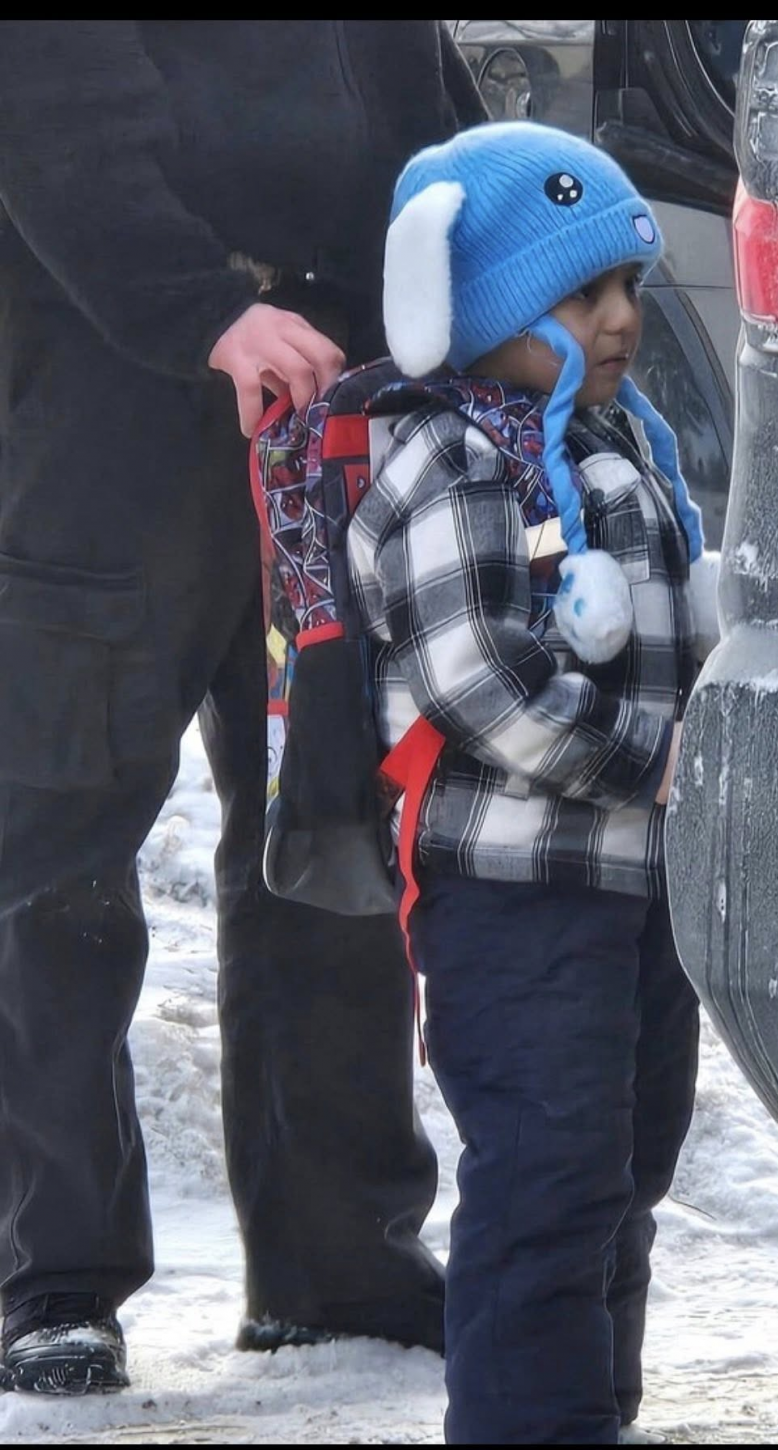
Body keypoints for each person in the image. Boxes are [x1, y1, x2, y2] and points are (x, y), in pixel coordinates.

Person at [0, 21, 487, 1395]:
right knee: (59, 833)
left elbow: (427, 125)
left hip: (333, 412)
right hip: (108, 415)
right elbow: (47, 103)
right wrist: (200, 308)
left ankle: (338, 1258)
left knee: (330, 809)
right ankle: (52, 1274)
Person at [346, 120, 722, 1444]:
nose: (619, 318)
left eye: (626, 288)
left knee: (625, 1177)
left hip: (637, 894)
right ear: (475, 297)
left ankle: (588, 1417)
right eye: (580, 294)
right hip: (513, 898)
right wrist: (650, 761)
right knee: (548, 1182)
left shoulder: (632, 445)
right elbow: (479, 684)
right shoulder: (450, 458)